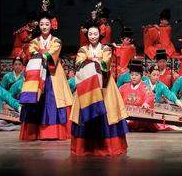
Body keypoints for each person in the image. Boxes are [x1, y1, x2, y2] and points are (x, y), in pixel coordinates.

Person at [70, 20, 129, 156]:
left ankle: (108, 147)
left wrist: (94, 62)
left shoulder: (106, 49)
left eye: (95, 33)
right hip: (87, 87)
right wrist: (94, 62)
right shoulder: (83, 49)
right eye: (90, 34)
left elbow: (106, 63)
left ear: (99, 34)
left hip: (105, 86)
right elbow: (79, 63)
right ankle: (86, 147)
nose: (92, 36)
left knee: (108, 114)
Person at [19, 11, 73, 140]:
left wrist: (43, 54)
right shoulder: (34, 42)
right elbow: (31, 51)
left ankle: (54, 132)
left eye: (47, 24)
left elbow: (53, 52)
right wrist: (41, 54)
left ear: (51, 26)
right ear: (39, 26)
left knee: (54, 99)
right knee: (37, 100)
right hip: (38, 73)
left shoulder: (57, 41)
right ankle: (35, 132)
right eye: (42, 24)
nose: (44, 27)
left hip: (53, 73)